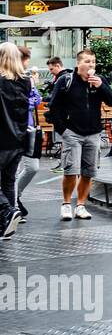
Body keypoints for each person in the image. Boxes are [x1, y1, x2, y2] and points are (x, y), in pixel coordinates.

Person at [45, 48, 112, 222]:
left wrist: (100, 86)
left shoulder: (99, 80)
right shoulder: (66, 80)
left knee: (89, 172)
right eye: (87, 61)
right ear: (78, 63)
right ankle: (65, 204)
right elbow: (53, 107)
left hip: (93, 133)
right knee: (71, 171)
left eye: (93, 62)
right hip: (72, 133)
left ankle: (81, 205)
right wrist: (63, 130)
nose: (91, 65)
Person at [0, 43, 33, 238]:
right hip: (18, 140)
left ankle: (8, 211)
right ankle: (8, 223)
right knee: (8, 181)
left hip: (2, 138)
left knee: (6, 183)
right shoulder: (25, 81)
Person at [13, 48, 42, 224]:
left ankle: (16, 196)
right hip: (12, 130)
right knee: (11, 171)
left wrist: (32, 90)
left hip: (28, 128)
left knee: (33, 167)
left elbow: (37, 99)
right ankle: (13, 205)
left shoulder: (28, 80)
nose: (27, 63)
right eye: (26, 59)